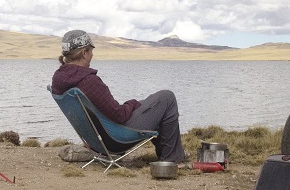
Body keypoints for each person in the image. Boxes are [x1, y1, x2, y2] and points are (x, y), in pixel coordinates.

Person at [50, 29, 187, 163]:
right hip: (116, 139)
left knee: (152, 104)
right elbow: (120, 115)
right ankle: (171, 158)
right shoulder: (88, 81)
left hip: (97, 141)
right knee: (167, 98)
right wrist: (132, 103)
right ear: (84, 53)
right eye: (91, 51)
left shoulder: (58, 79)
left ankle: (168, 153)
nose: (92, 55)